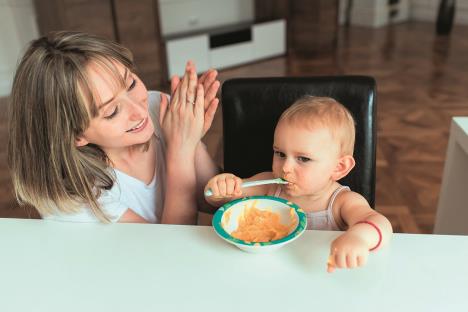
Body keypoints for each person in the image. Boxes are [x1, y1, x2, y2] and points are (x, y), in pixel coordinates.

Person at [8, 31, 220, 224]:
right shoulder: (71, 197)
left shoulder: (157, 107)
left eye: (131, 84)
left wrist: (189, 135)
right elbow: (166, 252)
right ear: (76, 135)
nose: (139, 110)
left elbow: (207, 198)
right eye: (112, 112)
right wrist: (181, 149)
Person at [204, 96, 393, 272]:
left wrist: (358, 237)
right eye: (280, 154)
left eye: (303, 158)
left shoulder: (341, 202)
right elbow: (216, 200)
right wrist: (221, 187)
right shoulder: (269, 185)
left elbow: (380, 223)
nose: (285, 168)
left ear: (339, 167)